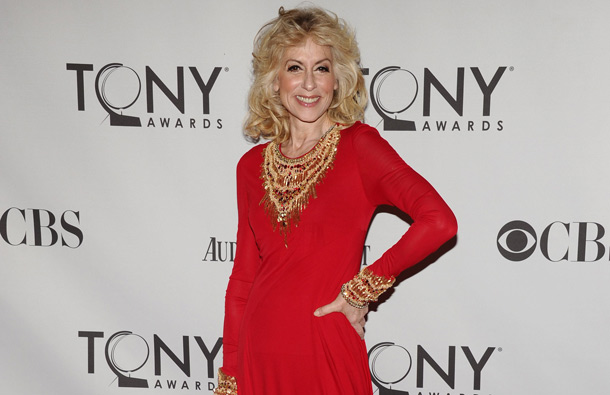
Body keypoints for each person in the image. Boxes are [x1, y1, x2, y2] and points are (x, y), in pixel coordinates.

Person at [214, 6, 457, 395]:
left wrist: (360, 290)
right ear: (274, 81)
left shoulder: (360, 146)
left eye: (321, 68)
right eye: (295, 67)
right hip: (260, 349)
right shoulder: (250, 166)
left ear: (338, 80)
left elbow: (439, 222)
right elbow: (243, 277)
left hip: (325, 343)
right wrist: (230, 374)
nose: (309, 83)